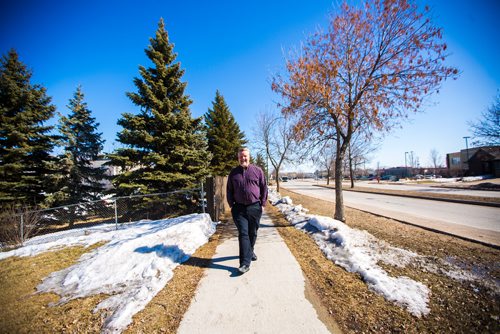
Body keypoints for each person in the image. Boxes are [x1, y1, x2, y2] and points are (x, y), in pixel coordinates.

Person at [226, 147, 268, 274]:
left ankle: (250, 251)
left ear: (249, 157)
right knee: (243, 233)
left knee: (252, 233)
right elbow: (229, 190)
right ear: (238, 158)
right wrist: (231, 205)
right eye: (240, 156)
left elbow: (264, 187)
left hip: (254, 207)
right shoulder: (233, 173)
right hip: (239, 208)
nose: (243, 158)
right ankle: (245, 263)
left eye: (245, 156)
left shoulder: (257, 171)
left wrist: (263, 204)